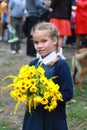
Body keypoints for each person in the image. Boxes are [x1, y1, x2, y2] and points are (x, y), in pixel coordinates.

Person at [22, 22, 73, 130]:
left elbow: (68, 93)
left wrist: (47, 97)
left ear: (54, 40)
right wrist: (26, 96)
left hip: (53, 118)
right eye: (36, 42)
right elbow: (27, 87)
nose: (39, 46)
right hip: (34, 116)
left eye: (44, 41)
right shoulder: (33, 64)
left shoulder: (61, 65)